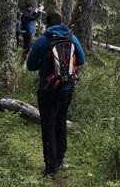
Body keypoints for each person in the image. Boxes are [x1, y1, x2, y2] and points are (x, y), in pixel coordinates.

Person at [27, 12, 85, 177]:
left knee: (48, 125)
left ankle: (50, 166)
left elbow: (31, 65)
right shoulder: (71, 39)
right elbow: (80, 60)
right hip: (66, 89)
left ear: (47, 25)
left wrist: (44, 65)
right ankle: (60, 158)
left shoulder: (42, 41)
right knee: (61, 121)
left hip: (46, 90)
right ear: (61, 23)